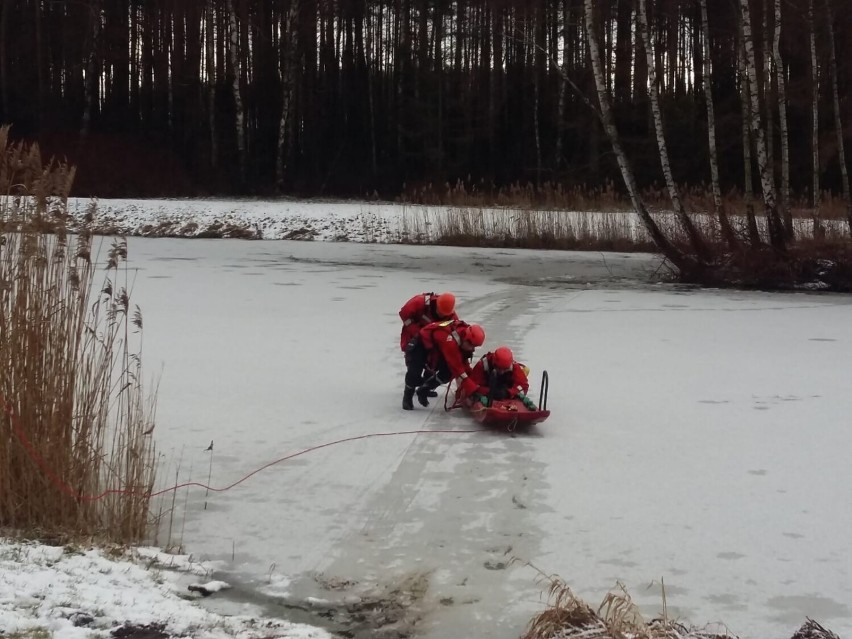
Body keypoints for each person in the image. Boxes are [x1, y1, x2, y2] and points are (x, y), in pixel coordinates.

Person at [402, 319, 485, 410]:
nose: (472, 349)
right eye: (472, 346)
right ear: (466, 339)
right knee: (413, 375)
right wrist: (472, 389)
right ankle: (407, 398)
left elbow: (463, 363)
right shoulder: (450, 341)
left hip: (436, 350)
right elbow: (457, 367)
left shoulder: (463, 336)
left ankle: (424, 389)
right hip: (420, 345)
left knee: (448, 374)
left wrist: (475, 382)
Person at [468, 346, 537, 410]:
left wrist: (508, 393)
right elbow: (472, 386)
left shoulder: (515, 367)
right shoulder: (482, 365)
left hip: (506, 393)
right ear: (494, 363)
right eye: (499, 368)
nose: (501, 372)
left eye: (505, 369)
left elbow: (523, 386)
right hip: (486, 390)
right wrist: (489, 391)